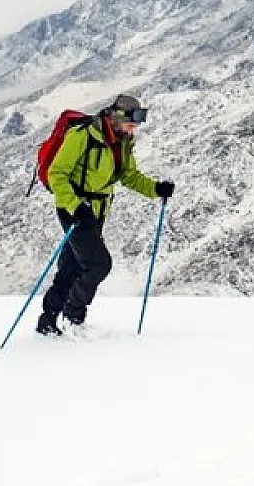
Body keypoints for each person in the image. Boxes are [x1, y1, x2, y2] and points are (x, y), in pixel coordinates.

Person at [36, 93, 174, 335]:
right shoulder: (82, 136)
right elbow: (57, 173)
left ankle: (47, 322)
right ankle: (72, 317)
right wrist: (75, 206)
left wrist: (155, 189)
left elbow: (127, 175)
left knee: (71, 267)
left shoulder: (122, 141)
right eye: (131, 125)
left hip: (97, 211)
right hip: (74, 210)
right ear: (116, 119)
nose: (133, 131)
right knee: (99, 264)